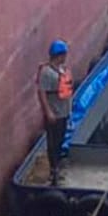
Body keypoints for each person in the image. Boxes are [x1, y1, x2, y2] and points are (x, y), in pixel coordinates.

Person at [37, 39, 74, 185]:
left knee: (59, 141)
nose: (65, 57)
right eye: (64, 54)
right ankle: (53, 172)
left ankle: (57, 166)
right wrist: (48, 112)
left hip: (63, 112)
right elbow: (42, 93)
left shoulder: (61, 69)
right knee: (52, 143)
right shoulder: (47, 73)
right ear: (59, 55)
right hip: (55, 114)